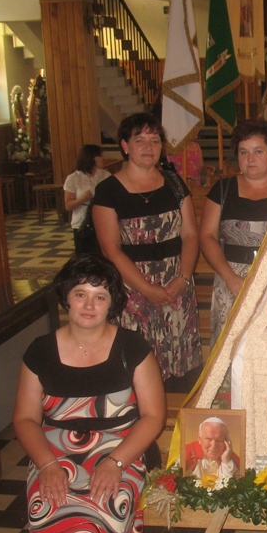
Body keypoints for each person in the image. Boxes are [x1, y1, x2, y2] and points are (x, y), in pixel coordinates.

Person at [13, 254, 167, 533]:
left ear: (112, 303)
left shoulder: (132, 347)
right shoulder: (40, 351)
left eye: (100, 296)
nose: (89, 305)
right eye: (80, 294)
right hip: (55, 448)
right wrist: (48, 465)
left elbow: (153, 417)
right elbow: (25, 419)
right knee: (47, 502)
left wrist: (115, 462)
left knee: (109, 501)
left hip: (122, 443)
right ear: (65, 297)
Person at [92, 113, 203, 394]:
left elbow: (191, 234)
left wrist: (183, 278)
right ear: (125, 145)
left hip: (176, 284)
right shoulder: (108, 190)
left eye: (154, 140)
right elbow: (110, 249)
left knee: (180, 360)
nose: (148, 147)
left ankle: (179, 412)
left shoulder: (174, 183)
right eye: (140, 140)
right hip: (132, 288)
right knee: (139, 362)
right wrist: (146, 289)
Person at [199, 119, 267, 346]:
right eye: (243, 152)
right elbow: (207, 236)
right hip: (230, 281)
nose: (250, 158)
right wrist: (231, 279)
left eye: (258, 151)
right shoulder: (222, 189)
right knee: (231, 349)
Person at [64, 144, 111, 256]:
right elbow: (68, 205)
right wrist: (82, 199)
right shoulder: (74, 178)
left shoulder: (106, 175)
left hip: (102, 221)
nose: (103, 158)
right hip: (82, 222)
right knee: (83, 256)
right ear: (91, 158)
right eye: (100, 156)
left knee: (102, 255)